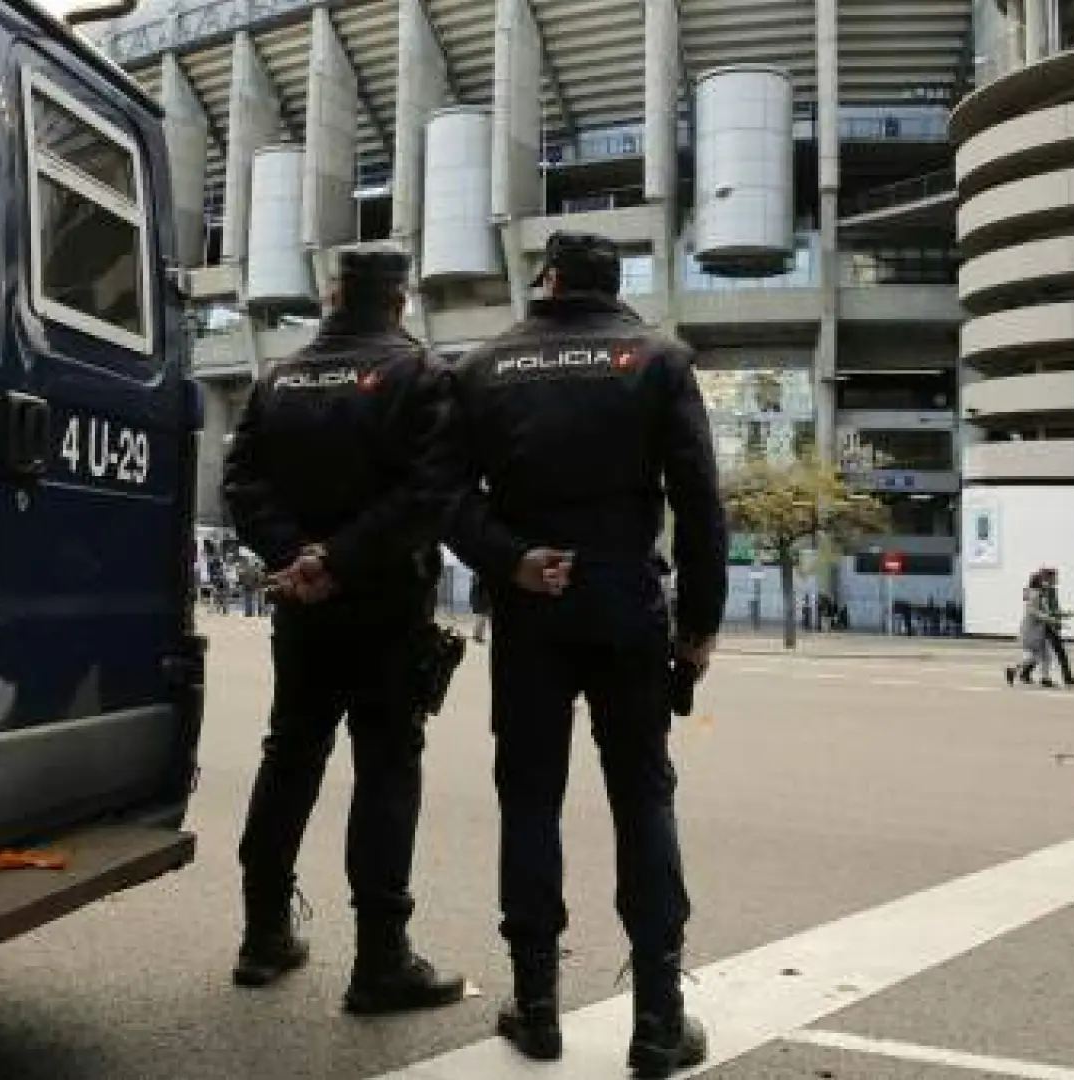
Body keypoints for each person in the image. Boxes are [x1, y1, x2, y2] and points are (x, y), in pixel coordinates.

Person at [449, 231, 726, 1075]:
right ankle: (657, 1021)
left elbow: (446, 497)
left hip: (533, 607)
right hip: (626, 606)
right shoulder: (657, 360)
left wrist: (508, 558)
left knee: (529, 798)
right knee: (643, 797)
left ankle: (535, 1009)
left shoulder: (485, 366)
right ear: (614, 287)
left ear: (550, 280)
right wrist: (699, 626)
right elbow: (700, 505)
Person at [220, 249, 467, 1014]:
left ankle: (264, 936)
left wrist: (298, 559)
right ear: (399, 302)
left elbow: (240, 483)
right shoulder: (421, 375)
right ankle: (381, 960)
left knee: (290, 754)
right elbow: (432, 494)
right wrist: (341, 558)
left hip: (302, 607)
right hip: (388, 605)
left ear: (331, 298)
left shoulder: (279, 378)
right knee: (387, 769)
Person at [1007, 570, 1055, 687]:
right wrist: (1048, 618)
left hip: (1035, 628)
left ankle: (1045, 678)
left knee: (1043, 655)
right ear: (1038, 582)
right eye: (1043, 581)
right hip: (1033, 630)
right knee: (1035, 655)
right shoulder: (1035, 595)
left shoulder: (1034, 593)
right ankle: (1015, 670)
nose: (1046, 583)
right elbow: (1032, 611)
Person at [1039, 568, 1074, 686]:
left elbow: (1054, 608)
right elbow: (1049, 610)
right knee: (1059, 652)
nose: (1057, 579)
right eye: (1055, 576)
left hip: (1051, 624)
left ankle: (1025, 672)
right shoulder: (1047, 591)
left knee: (1041, 652)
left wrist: (1062, 614)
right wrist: (1062, 616)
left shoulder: (1051, 590)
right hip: (1048, 625)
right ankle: (1067, 677)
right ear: (1049, 578)